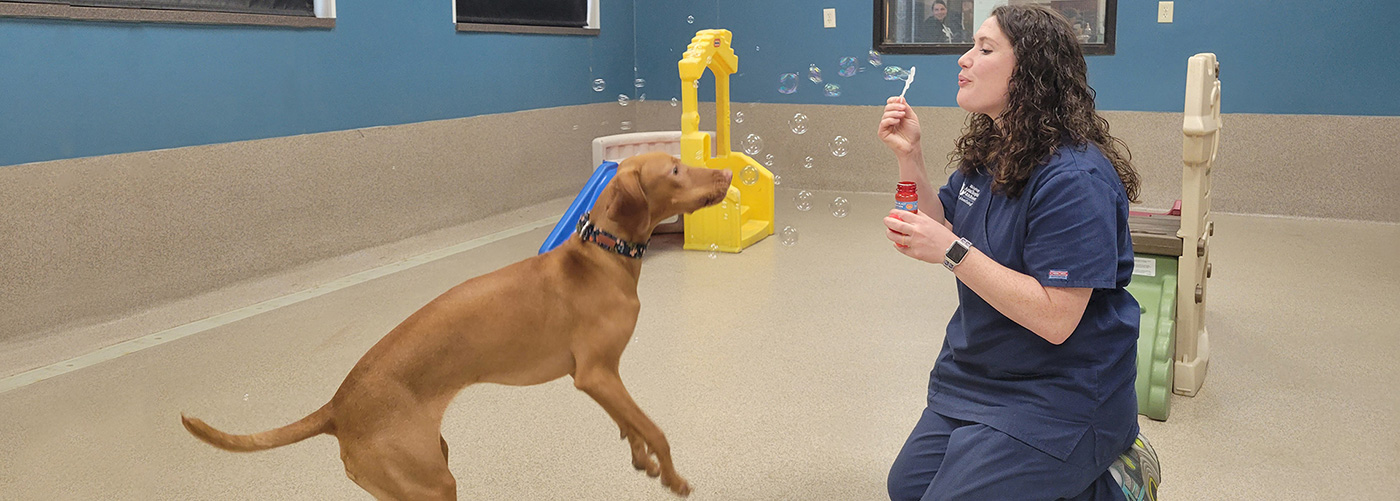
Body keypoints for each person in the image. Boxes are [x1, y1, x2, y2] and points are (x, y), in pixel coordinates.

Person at [877, 4, 1142, 500]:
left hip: (1060, 395)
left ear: (1030, 69)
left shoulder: (1074, 179)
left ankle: (1110, 480)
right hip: (979, 375)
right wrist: (908, 154)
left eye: (984, 49)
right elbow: (942, 224)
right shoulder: (996, 149)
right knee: (907, 490)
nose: (964, 58)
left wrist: (951, 252)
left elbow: (1056, 318)